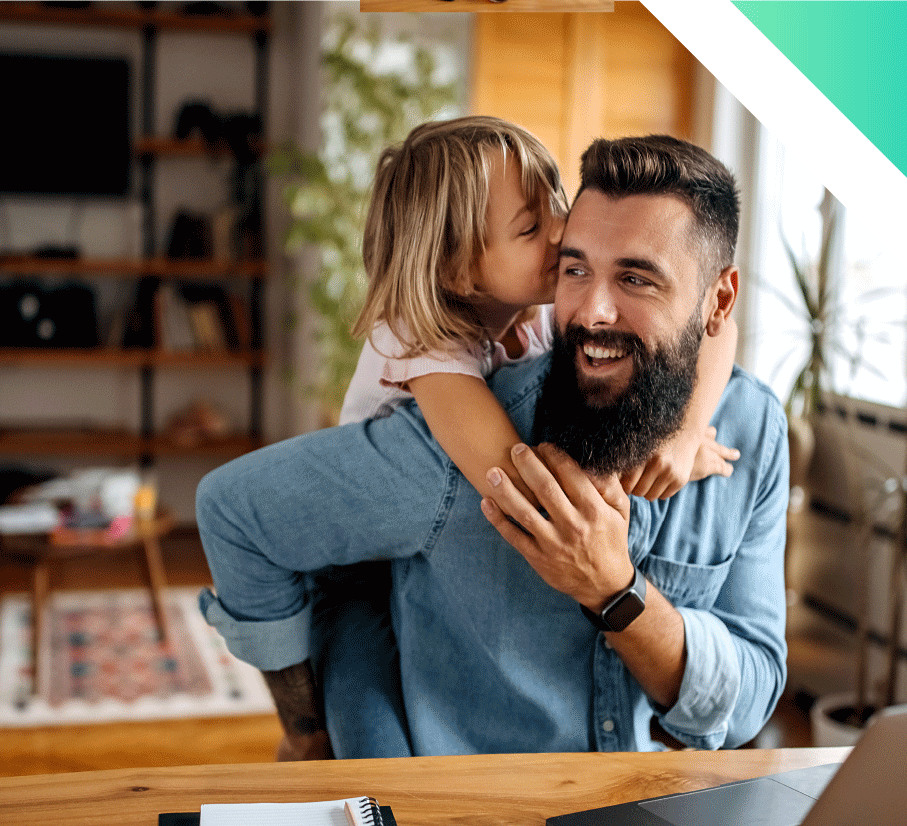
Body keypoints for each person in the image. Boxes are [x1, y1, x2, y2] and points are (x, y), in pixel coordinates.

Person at [197, 132, 789, 759]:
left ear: (717, 298)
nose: (590, 310)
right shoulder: (446, 393)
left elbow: (749, 704)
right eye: (573, 267)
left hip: (643, 816)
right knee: (360, 709)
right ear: (459, 267)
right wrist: (304, 730)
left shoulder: (748, 429)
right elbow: (520, 483)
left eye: (637, 278)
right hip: (381, 651)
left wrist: (684, 429)